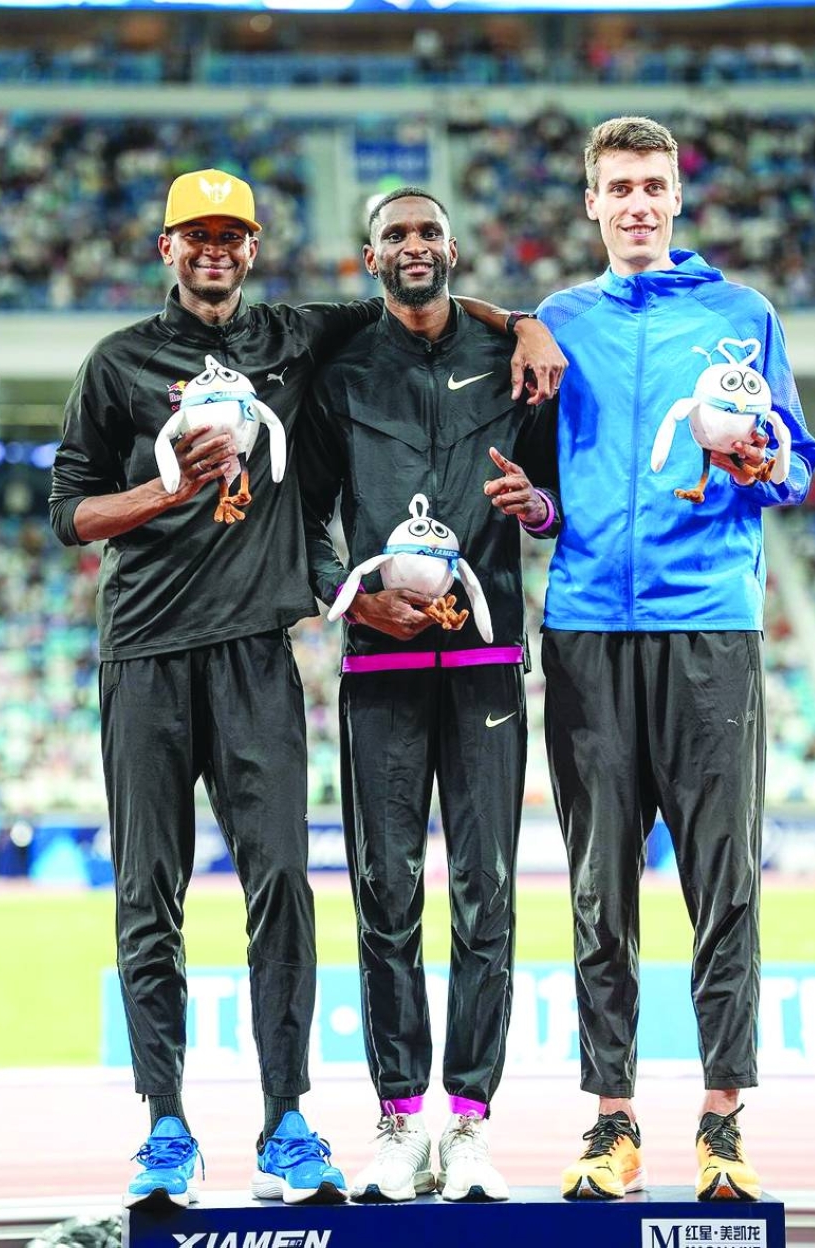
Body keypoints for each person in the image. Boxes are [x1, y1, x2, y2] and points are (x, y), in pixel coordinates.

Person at [48, 167, 565, 1211]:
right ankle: (165, 1129)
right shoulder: (115, 364)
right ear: (165, 249)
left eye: (230, 236)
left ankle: (287, 1122)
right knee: (151, 899)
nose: (213, 251)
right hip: (142, 655)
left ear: (251, 248)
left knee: (282, 894)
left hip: (254, 658)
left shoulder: (293, 337)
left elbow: (417, 292)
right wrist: (167, 489)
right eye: (194, 236)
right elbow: (68, 512)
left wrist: (526, 322)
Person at [533, 118, 815, 1202]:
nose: (639, 203)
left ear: (676, 198)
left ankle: (721, 1122)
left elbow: (793, 466)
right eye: (619, 188)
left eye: (654, 185)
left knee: (724, 884)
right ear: (592, 204)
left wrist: (761, 456)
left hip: (711, 627)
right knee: (599, 890)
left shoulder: (740, 317)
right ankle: (610, 1121)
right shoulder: (555, 324)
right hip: (586, 632)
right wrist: (534, 505)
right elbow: (540, 481)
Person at [299, 187, 561, 1205]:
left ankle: (471, 1123)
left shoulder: (514, 363)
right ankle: (399, 1118)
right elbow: (307, 514)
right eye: (395, 235)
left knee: (487, 895)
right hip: (379, 669)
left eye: (427, 232)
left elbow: (551, 505)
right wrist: (349, 595)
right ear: (370, 259)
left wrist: (531, 503)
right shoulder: (339, 370)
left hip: (490, 665)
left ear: (453, 249)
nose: (414, 246)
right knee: (386, 898)